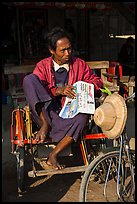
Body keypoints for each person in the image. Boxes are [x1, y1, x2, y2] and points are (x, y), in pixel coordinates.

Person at [23, 27, 103, 170]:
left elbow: (96, 81)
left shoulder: (79, 64)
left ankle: (53, 155)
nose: (68, 53)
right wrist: (57, 91)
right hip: (45, 113)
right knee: (29, 79)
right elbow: (36, 89)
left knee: (83, 118)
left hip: (68, 114)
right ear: (52, 50)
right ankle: (45, 125)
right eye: (63, 50)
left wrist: (84, 87)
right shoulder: (42, 66)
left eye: (69, 49)